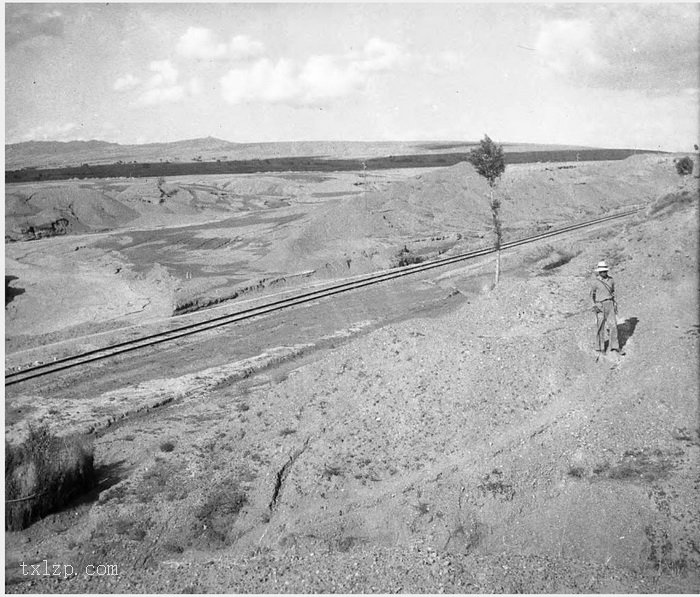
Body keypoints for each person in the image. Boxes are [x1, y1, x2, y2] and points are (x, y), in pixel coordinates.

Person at [590, 260, 621, 355]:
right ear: (599, 272)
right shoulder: (595, 282)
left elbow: (613, 292)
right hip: (600, 305)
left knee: (613, 325)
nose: (604, 273)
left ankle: (615, 346)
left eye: (605, 271)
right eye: (602, 271)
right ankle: (600, 347)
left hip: (610, 303)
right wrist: (594, 305)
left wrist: (614, 304)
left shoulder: (611, 280)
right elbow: (591, 295)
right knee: (600, 327)